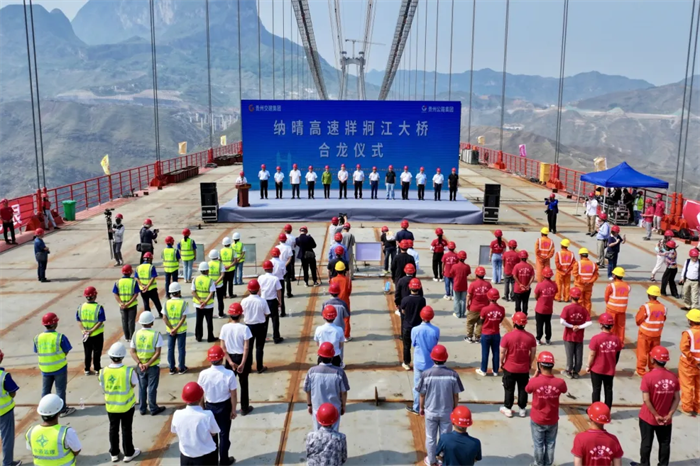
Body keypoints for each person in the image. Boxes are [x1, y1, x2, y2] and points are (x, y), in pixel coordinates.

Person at [630, 346, 679, 466]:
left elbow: (646, 399)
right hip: (666, 419)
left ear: (653, 359)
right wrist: (670, 414)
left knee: (646, 443)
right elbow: (677, 398)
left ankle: (644, 464)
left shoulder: (648, 377)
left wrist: (656, 415)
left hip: (648, 417)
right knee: (664, 443)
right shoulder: (673, 377)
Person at [417, 344, 464, 466]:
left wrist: (421, 408)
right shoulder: (453, 375)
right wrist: (455, 409)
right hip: (447, 412)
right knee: (445, 438)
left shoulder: (426, 374)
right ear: (446, 358)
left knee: (430, 437)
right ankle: (442, 459)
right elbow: (455, 395)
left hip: (430, 412)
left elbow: (422, 394)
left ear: (432, 358)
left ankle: (431, 460)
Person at [99, 342, 140, 462]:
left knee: (113, 429)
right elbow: (134, 383)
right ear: (123, 356)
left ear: (110, 356)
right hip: (126, 406)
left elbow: (102, 385)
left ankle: (114, 453)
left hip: (111, 406)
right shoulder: (128, 371)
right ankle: (129, 453)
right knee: (126, 429)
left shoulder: (103, 371)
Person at [526, 351, 568, 466]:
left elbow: (527, 389)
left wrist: (535, 376)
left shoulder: (535, 382)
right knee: (550, 443)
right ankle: (548, 463)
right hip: (552, 419)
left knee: (538, 444)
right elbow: (564, 390)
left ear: (540, 365)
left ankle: (538, 464)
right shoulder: (560, 382)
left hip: (538, 419)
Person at [198, 346, 237, 466]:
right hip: (224, 407)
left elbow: (200, 394)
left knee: (212, 437)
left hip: (209, 407)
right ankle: (224, 461)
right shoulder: (229, 374)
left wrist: (202, 408)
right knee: (224, 435)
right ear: (222, 358)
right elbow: (233, 394)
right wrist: (233, 410)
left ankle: (213, 462)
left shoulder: (203, 374)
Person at [35, 312, 76, 416]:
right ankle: (62, 410)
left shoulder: (37, 338)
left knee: (46, 390)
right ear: (54, 324)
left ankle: (45, 410)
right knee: (60, 390)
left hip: (45, 368)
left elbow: (37, 351)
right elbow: (66, 350)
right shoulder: (60, 337)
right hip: (59, 368)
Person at [172, 382, 220, 465]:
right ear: (200, 398)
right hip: (205, 458)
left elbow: (174, 430)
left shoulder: (177, 414)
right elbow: (214, 432)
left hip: (186, 458)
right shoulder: (207, 415)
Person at [499, 312, 537, 418]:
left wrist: (501, 362)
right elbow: (533, 352)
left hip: (509, 368)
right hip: (523, 368)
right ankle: (522, 409)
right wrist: (529, 363)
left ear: (514, 322)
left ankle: (508, 408)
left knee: (509, 388)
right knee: (523, 388)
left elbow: (502, 352)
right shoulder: (530, 337)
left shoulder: (507, 336)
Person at [304, 343, 350, 431]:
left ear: (319, 356)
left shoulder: (311, 371)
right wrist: (343, 406)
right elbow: (344, 392)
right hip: (334, 409)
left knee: (317, 432)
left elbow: (307, 390)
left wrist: (309, 405)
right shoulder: (339, 372)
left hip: (317, 408)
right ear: (332, 357)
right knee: (334, 433)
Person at [26, 395, 81, 465]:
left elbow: (31, 449)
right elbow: (76, 451)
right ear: (59, 412)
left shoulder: (31, 432)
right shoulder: (67, 432)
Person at [129, 311, 166, 416]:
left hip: (140, 367)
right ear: (152, 322)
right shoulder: (156, 335)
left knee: (142, 388)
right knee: (152, 388)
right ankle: (153, 408)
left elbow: (132, 351)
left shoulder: (136, 334)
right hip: (152, 366)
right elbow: (157, 352)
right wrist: (148, 364)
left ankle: (142, 408)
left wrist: (140, 363)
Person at [220, 303, 253, 416]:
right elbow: (246, 347)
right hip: (241, 357)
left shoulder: (224, 328)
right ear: (241, 315)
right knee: (244, 384)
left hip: (230, 358)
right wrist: (242, 363)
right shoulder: (245, 328)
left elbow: (223, 348)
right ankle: (244, 408)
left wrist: (230, 362)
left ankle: (229, 407)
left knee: (228, 385)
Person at [586, 313, 623, 409]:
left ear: (601, 325)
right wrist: (613, 365)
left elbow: (592, 354)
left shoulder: (596, 339)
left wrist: (588, 365)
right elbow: (617, 354)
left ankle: (595, 409)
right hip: (610, 369)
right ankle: (607, 410)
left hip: (597, 369)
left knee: (596, 390)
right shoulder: (616, 339)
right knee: (608, 390)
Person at [408, 307, 440, 415]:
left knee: (418, 386)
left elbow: (413, 343)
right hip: (431, 362)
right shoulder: (436, 330)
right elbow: (436, 343)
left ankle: (417, 407)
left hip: (419, 362)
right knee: (430, 386)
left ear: (421, 316)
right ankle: (430, 406)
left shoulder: (415, 330)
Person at [560, 287, 592, 379]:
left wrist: (571, 326)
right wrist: (579, 327)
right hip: (579, 336)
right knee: (578, 354)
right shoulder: (583, 309)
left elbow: (562, 321)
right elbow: (589, 322)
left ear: (570, 297)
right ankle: (576, 371)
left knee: (569, 354)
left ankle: (568, 371)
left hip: (569, 336)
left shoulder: (567, 308)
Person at [635, 286, 667, 376]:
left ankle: (641, 370)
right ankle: (653, 368)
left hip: (645, 333)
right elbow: (663, 319)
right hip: (657, 334)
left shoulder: (646, 307)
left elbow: (638, 320)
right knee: (654, 352)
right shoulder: (663, 307)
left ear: (649, 295)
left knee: (642, 352)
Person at [241, 279, 271, 373]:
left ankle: (248, 366)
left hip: (248, 326)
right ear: (258, 289)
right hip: (260, 326)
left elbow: (242, 312)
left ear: (248, 289)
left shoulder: (244, 301)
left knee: (248, 347)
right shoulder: (262, 301)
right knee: (259, 347)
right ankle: (259, 367)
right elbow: (267, 313)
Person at [76, 286, 105, 375]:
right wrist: (92, 330)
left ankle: (87, 369)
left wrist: (84, 330)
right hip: (97, 334)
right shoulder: (98, 307)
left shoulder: (80, 307)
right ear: (95, 296)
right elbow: (100, 321)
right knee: (97, 352)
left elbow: (79, 320)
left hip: (85, 334)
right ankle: (97, 368)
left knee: (87, 352)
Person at [477, 288, 505, 377]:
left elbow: (481, 320)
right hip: (496, 333)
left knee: (485, 352)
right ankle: (495, 371)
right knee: (496, 352)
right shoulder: (501, 309)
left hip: (486, 333)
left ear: (488, 297)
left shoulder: (484, 309)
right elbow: (500, 320)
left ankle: (483, 370)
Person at [400, 278, 426, 370]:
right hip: (418, 326)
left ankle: (406, 363)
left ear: (410, 287)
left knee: (407, 346)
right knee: (419, 345)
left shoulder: (405, 300)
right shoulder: (422, 300)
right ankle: (419, 361)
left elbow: (403, 311)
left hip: (407, 326)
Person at [162, 282, 189, 375]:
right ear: (179, 292)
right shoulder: (183, 303)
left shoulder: (166, 303)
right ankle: (181, 368)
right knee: (181, 349)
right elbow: (183, 318)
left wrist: (171, 329)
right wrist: (176, 328)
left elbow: (164, 317)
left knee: (170, 349)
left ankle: (172, 368)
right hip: (181, 330)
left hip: (170, 331)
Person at [0, 349, 21, 466]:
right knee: (7, 438)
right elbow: (13, 392)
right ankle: (7, 463)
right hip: (4, 412)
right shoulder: (4, 376)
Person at [678, 308, 700, 416]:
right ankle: (698, 408)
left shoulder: (688, 333)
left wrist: (694, 361)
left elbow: (684, 348)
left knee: (687, 386)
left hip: (689, 364)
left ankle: (687, 408)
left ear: (690, 321)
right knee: (699, 387)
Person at [258, 260, 283, 344]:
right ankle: (276, 337)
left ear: (264, 269)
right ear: (272, 269)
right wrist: (280, 301)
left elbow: (259, 290)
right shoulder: (275, 279)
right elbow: (278, 291)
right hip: (272, 301)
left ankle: (263, 337)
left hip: (263, 300)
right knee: (275, 320)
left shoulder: (260, 278)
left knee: (264, 320)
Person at [603, 267, 630, 344]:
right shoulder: (627, 286)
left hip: (611, 309)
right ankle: (620, 343)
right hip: (622, 310)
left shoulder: (611, 285)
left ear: (614, 275)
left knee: (610, 325)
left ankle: (611, 341)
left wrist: (609, 304)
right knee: (621, 327)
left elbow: (606, 297)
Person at [113, 264, 140, 342]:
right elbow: (136, 294)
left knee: (124, 321)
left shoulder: (118, 282)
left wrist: (121, 303)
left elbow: (115, 294)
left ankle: (127, 337)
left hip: (122, 306)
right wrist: (129, 303)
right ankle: (132, 337)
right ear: (130, 272)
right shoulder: (133, 282)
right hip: (132, 305)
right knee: (131, 321)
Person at [192, 262, 217, 343]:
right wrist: (205, 302)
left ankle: (198, 336)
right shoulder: (210, 280)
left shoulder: (195, 279)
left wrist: (200, 300)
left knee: (199, 321)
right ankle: (210, 337)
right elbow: (211, 292)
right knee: (209, 322)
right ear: (207, 270)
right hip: (208, 305)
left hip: (198, 304)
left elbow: (193, 291)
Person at [466, 267, 491, 344]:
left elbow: (469, 295)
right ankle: (477, 337)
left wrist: (467, 304)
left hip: (474, 307)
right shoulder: (488, 285)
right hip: (484, 308)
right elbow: (490, 297)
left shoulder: (473, 284)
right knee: (480, 323)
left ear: (476, 274)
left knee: (470, 322)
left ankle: (469, 337)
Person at [534, 267, 558, 345]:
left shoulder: (540, 285)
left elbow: (536, 296)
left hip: (540, 309)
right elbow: (555, 293)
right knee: (548, 324)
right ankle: (548, 339)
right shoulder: (554, 285)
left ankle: (538, 339)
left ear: (543, 275)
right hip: (549, 309)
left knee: (539, 325)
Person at [136, 252, 163, 317]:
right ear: (150, 259)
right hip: (151, 289)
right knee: (156, 302)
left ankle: (148, 316)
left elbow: (136, 278)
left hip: (142, 289)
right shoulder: (151, 267)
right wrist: (147, 286)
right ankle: (161, 314)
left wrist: (142, 286)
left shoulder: (138, 267)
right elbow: (153, 277)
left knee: (146, 303)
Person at [330, 262, 353, 340]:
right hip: (345, 301)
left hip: (334, 301)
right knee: (346, 319)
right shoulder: (348, 280)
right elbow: (349, 291)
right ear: (344, 270)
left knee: (334, 318)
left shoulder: (333, 280)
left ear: (336, 270)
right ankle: (346, 336)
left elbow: (331, 290)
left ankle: (335, 334)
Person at [573, 248, 598, 313]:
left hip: (579, 285)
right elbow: (595, 275)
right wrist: (589, 281)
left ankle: (580, 314)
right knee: (587, 301)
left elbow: (575, 274)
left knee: (579, 300)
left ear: (580, 255)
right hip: (589, 286)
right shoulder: (593, 264)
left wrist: (583, 281)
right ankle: (587, 315)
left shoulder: (578, 263)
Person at [513, 250, 535, 314]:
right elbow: (532, 276)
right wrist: (528, 284)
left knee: (518, 302)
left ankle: (518, 315)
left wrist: (520, 284)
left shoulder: (517, 266)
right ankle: (524, 314)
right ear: (527, 257)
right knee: (525, 302)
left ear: (520, 257)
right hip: (527, 289)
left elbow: (514, 276)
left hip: (518, 288)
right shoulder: (530, 266)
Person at [452, 251, 471, 318]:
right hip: (464, 285)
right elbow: (467, 274)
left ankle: (457, 313)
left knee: (456, 300)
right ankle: (462, 313)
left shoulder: (454, 266)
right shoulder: (467, 267)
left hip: (456, 285)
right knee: (463, 300)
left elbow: (452, 273)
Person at [270, 247, 288, 317]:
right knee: (281, 297)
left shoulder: (270, 262)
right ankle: (282, 312)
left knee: (272, 296)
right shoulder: (282, 263)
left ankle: (272, 312)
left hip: (272, 280)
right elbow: (284, 272)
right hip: (280, 280)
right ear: (279, 254)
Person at [207, 249, 225, 318]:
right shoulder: (220, 264)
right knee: (220, 300)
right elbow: (222, 275)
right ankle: (221, 314)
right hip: (219, 285)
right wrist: (216, 282)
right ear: (217, 256)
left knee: (210, 300)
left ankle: (210, 314)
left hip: (210, 285)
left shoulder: (208, 264)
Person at [281, 228, 296, 297]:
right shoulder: (292, 239)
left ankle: (281, 294)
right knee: (288, 279)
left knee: (280, 280)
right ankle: (289, 293)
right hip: (286, 263)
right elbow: (290, 258)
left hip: (280, 264)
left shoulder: (277, 247)